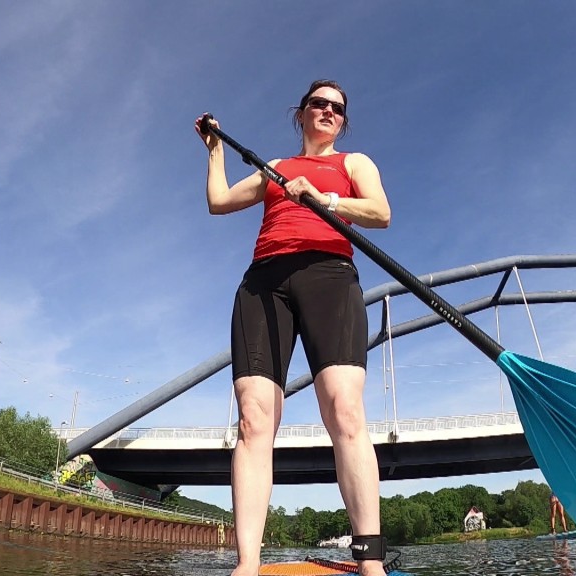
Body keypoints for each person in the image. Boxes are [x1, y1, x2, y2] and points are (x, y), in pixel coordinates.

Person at [195, 79, 391, 576]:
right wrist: (215, 150)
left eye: (337, 108)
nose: (328, 111)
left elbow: (380, 213)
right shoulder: (275, 169)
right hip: (265, 283)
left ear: (342, 121)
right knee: (254, 419)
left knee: (344, 411)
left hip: (330, 276)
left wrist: (326, 198)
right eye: (318, 104)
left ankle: (370, 564)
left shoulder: (353, 163)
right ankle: (248, 564)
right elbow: (218, 202)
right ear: (300, 113)